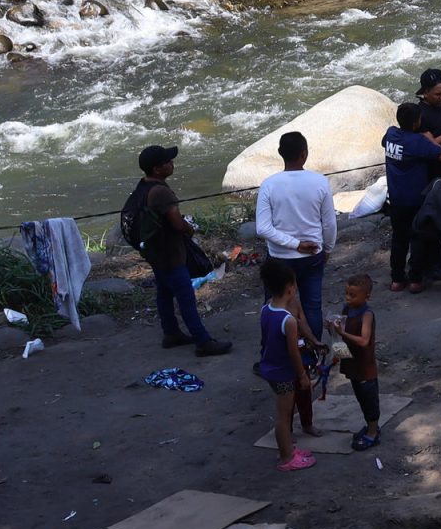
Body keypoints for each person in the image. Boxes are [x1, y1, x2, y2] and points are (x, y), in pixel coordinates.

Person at [133, 144, 232, 356]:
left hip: (155, 252)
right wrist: (190, 229)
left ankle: (171, 333)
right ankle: (203, 342)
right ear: (157, 169)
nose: (172, 164)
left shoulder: (143, 186)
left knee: (164, 291)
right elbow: (178, 224)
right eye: (167, 162)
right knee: (186, 297)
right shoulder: (161, 192)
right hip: (170, 254)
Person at [255, 131, 338, 334]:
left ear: (280, 153)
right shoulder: (319, 182)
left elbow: (263, 228)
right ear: (304, 154)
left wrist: (293, 244)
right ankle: (314, 354)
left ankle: (272, 354)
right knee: (312, 306)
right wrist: (327, 248)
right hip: (312, 255)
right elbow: (329, 223)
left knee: (275, 307)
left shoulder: (269, 185)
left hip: (279, 257)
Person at [256, 259, 317, 472]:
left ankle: (288, 449)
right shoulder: (288, 320)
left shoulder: (265, 310)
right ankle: (287, 457)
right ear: (290, 289)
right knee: (283, 417)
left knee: (284, 413)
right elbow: (293, 351)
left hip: (270, 368)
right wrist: (301, 375)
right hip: (283, 373)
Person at [384, 102, 441, 292]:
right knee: (418, 237)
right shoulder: (417, 142)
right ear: (416, 123)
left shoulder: (390, 134)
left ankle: (396, 279)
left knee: (399, 239)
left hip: (395, 199)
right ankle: (415, 279)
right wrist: (431, 139)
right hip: (416, 200)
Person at [329, 274, 380, 451]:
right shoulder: (346, 309)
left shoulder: (367, 315)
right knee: (360, 396)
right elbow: (341, 331)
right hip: (352, 361)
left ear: (366, 296)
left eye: (352, 295)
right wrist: (332, 328)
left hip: (365, 365)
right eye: (347, 294)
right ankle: (369, 425)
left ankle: (373, 432)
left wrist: (342, 333)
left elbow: (364, 341)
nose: (348, 298)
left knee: (369, 398)